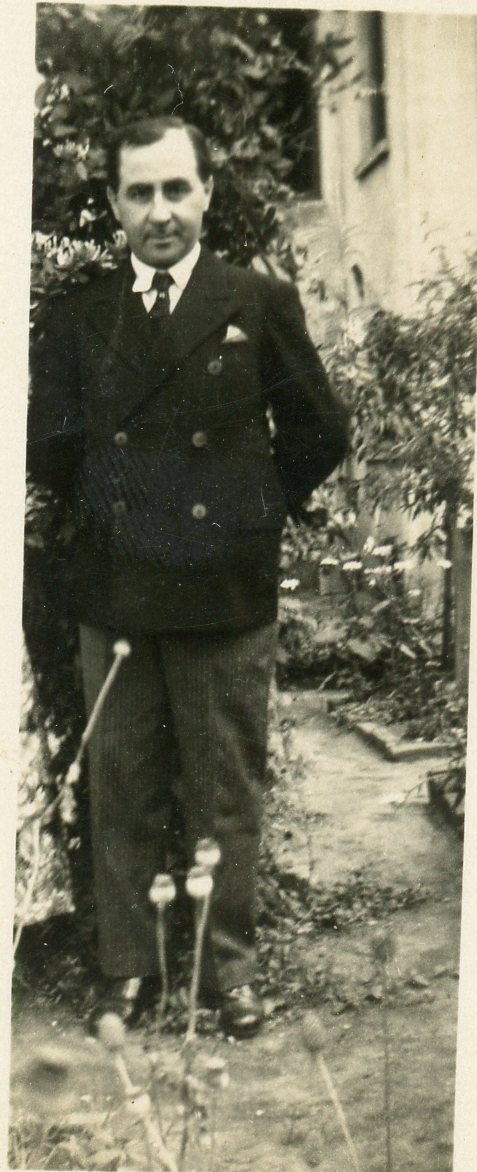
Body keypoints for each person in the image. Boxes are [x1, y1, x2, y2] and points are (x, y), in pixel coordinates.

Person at [27, 116, 348, 1038]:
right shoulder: (81, 315)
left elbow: (320, 429)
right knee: (121, 786)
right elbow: (48, 445)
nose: (160, 211)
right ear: (114, 202)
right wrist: (116, 505)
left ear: (207, 193)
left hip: (224, 588)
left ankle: (226, 970)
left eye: (176, 189)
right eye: (140, 192)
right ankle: (128, 971)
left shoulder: (256, 299)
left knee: (223, 789)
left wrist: (249, 511)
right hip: (118, 585)